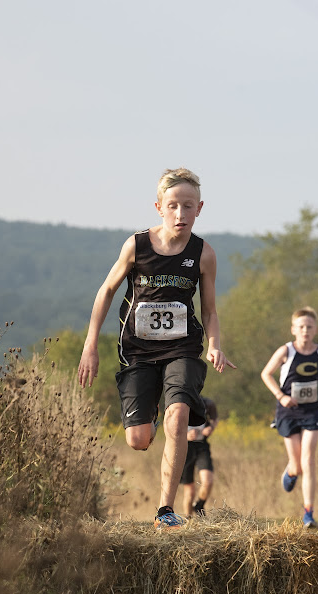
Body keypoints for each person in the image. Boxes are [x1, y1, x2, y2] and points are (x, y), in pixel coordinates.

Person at [78, 167, 236, 529]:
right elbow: (106, 292)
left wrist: (214, 345)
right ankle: (147, 414)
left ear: (200, 208)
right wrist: (90, 345)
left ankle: (165, 510)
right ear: (159, 207)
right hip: (137, 351)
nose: (181, 214)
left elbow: (210, 310)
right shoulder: (137, 245)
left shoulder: (203, 254)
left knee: (177, 417)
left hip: (182, 348)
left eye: (188, 206)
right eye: (173, 206)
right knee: (138, 440)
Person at [260, 306, 318, 529]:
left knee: (309, 460)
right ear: (293, 329)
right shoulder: (286, 350)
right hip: (288, 411)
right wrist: (281, 396)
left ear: (315, 330)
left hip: (312, 410)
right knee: (297, 464)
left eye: (309, 327)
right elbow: (266, 373)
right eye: (301, 327)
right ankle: (291, 471)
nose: (305, 330)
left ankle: (308, 513)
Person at [180, 396, 218, 517]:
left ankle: (199, 505)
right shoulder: (179, 403)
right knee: (189, 490)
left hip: (202, 446)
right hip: (185, 448)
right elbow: (170, 426)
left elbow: (215, 419)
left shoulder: (207, 403)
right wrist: (186, 435)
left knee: (208, 481)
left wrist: (211, 428)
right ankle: (188, 521)